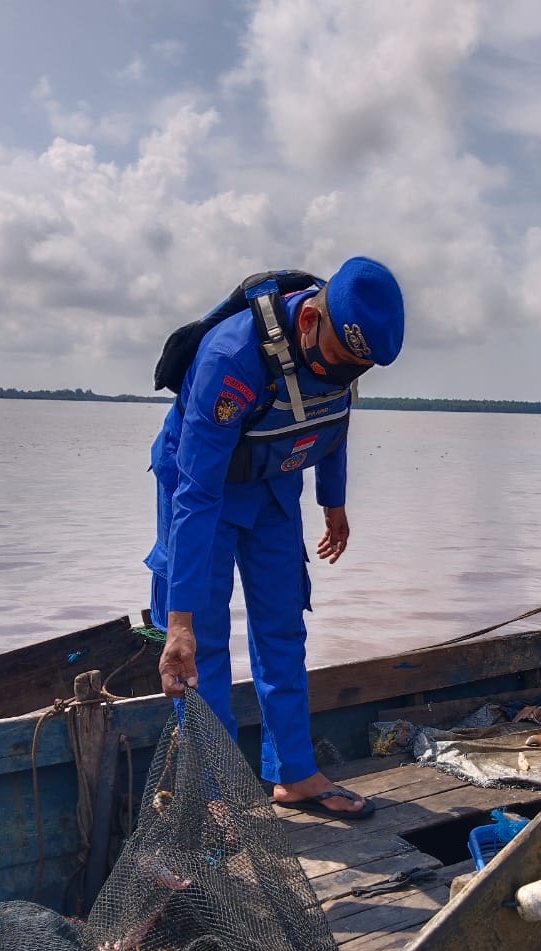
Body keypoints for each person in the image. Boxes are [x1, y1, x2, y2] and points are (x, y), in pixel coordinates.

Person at [146, 256, 404, 819]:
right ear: (309, 321)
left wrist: (332, 502)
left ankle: (294, 773)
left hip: (273, 490)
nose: (343, 375)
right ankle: (213, 797)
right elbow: (196, 495)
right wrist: (180, 622)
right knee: (202, 646)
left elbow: (334, 423)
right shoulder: (231, 360)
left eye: (356, 369)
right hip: (202, 492)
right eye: (340, 361)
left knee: (283, 628)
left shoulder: (341, 354)